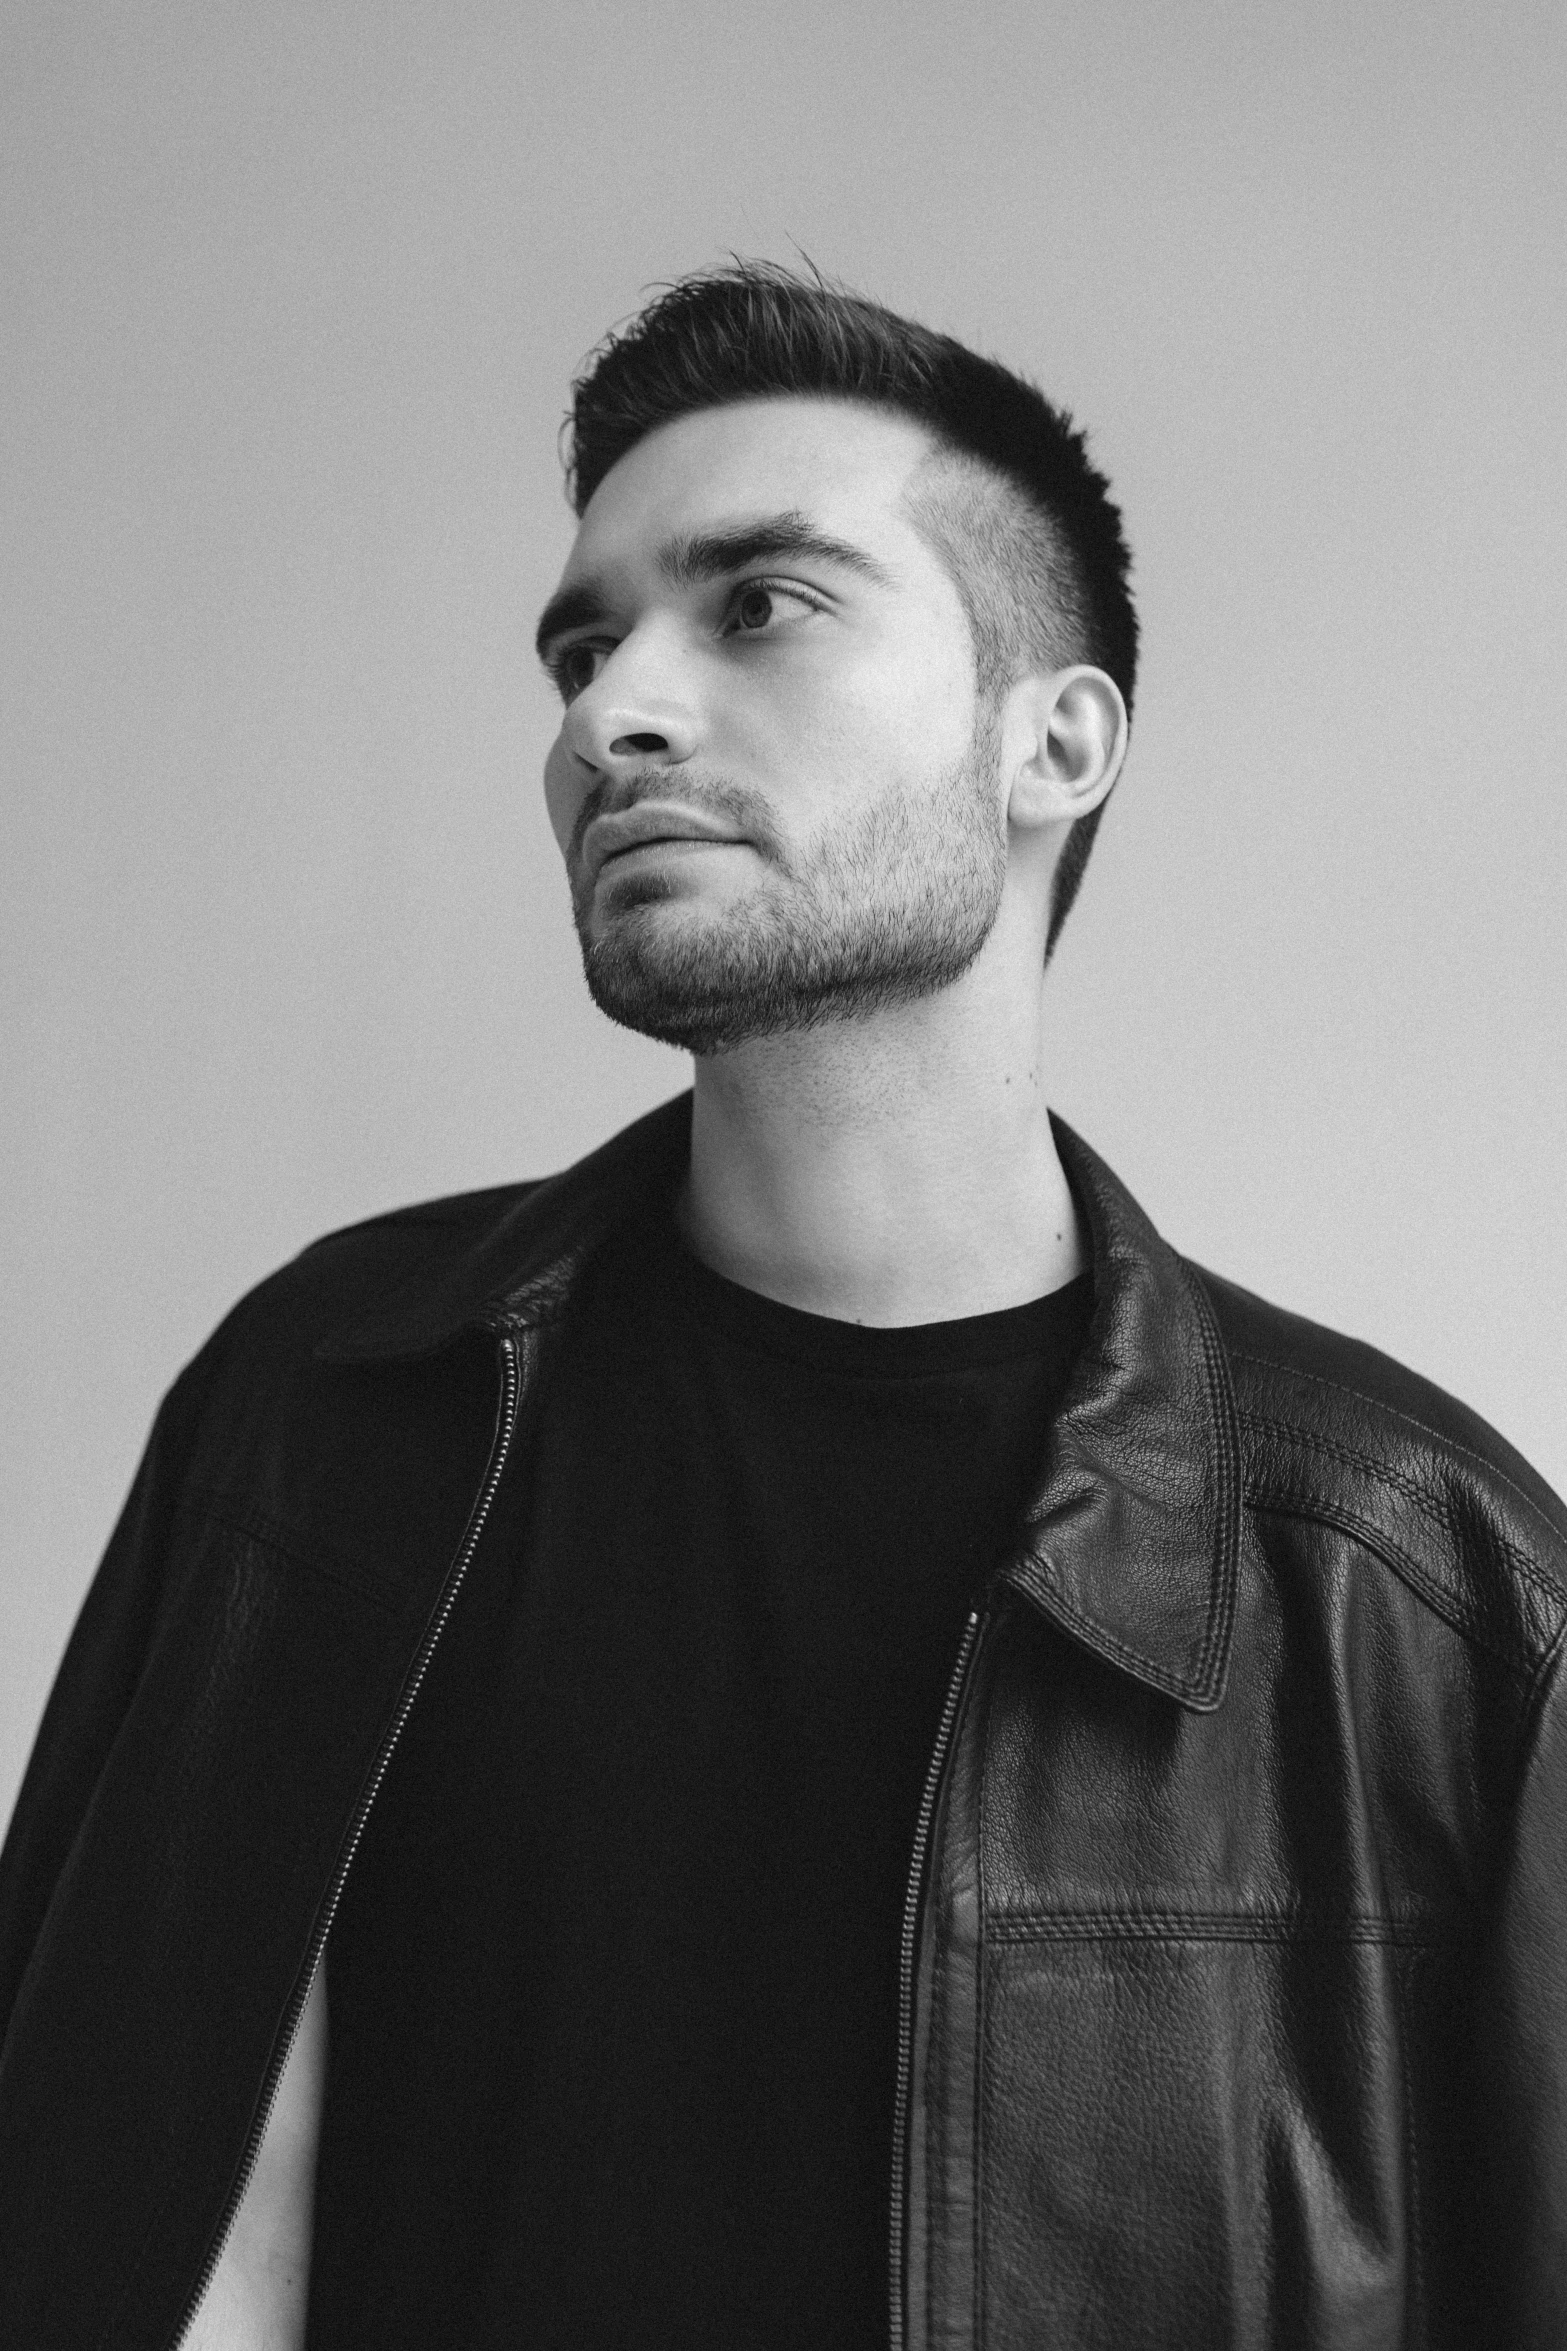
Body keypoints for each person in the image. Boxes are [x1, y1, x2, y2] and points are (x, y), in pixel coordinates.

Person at [2, 262, 1564, 2351]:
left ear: (1052, 741)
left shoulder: (1424, 1580)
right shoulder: (327, 1412)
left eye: (760, 605)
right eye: (581, 644)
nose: (603, 712)